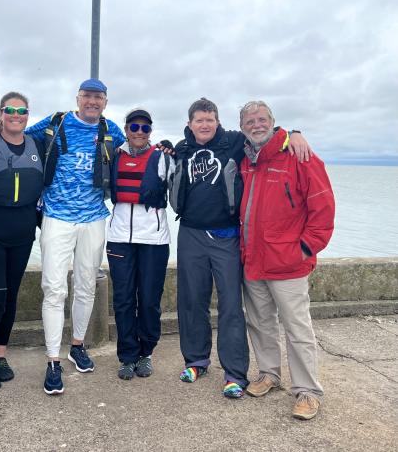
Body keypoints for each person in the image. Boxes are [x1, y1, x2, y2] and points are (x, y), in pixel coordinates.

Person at [170, 98, 311, 398]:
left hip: (226, 236)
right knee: (191, 301)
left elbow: (268, 137)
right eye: (199, 120)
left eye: (210, 120)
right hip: (190, 234)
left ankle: (234, 374)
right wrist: (164, 146)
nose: (205, 125)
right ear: (190, 124)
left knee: (232, 304)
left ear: (218, 122)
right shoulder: (182, 149)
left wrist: (295, 132)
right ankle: (196, 361)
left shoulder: (234, 142)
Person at [25, 78, 125, 394]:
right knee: (54, 289)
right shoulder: (56, 122)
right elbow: (20, 138)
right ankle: (53, 360)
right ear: (78, 98)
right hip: (56, 217)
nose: (92, 102)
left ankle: (77, 345)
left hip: (95, 218)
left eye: (99, 97)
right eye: (87, 96)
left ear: (105, 102)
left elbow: (130, 150)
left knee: (85, 286)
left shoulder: (112, 130)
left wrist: (164, 147)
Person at [238, 100, 335, 419]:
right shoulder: (246, 159)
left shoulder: (300, 156)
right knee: (260, 323)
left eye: (262, 119)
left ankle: (308, 391)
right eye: (249, 121)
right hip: (254, 261)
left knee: (297, 328)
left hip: (289, 264)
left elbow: (323, 211)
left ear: (273, 122)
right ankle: (269, 374)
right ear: (242, 127)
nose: (256, 124)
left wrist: (304, 250)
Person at [0, 92, 45, 389]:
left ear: (28, 115)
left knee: (11, 296)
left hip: (23, 231)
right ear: (0, 113)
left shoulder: (38, 144)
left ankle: (1, 355)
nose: (16, 115)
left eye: (22, 110)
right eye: (10, 110)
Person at [106, 108, 173, 380]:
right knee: (122, 300)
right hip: (120, 238)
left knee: (148, 300)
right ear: (126, 130)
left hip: (155, 240)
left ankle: (146, 353)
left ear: (151, 132)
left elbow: (184, 183)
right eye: (134, 127)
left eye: (145, 128)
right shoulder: (112, 156)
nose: (139, 132)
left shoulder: (163, 158)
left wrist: (174, 148)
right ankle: (127, 356)